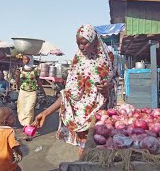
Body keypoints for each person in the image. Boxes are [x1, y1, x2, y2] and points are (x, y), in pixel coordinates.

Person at [32, 24, 118, 157]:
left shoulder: (107, 58)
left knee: (102, 152)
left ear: (93, 41)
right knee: (84, 154)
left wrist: (109, 86)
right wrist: (46, 112)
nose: (81, 47)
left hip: (101, 118)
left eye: (84, 43)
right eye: (78, 44)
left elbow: (115, 80)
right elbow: (68, 94)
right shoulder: (78, 60)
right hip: (81, 119)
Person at [15, 55, 46, 127]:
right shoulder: (20, 69)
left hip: (32, 92)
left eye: (26, 59)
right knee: (21, 108)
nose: (24, 61)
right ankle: (23, 124)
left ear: (30, 60)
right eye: (23, 59)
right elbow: (17, 83)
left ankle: (27, 125)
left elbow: (38, 81)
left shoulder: (35, 70)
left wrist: (43, 92)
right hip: (23, 91)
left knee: (29, 109)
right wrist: (17, 76)